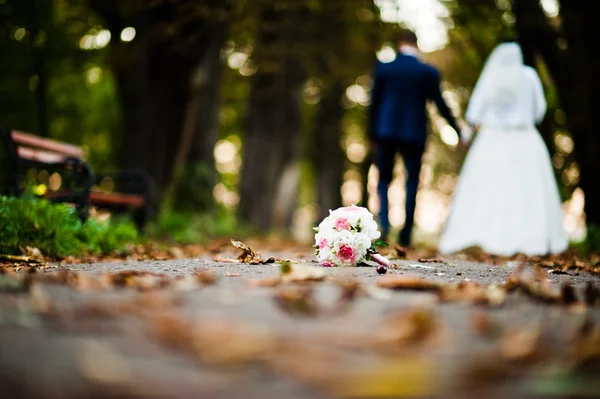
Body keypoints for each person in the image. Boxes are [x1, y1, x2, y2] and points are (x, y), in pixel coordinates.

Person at [438, 41, 568, 256]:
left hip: (492, 140)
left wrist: (466, 137)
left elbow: (474, 113)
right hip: (525, 139)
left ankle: (487, 234)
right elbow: (540, 111)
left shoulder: (492, 78)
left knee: (490, 188)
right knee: (527, 190)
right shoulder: (528, 76)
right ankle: (527, 237)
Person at [369, 30, 461, 247]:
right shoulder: (427, 71)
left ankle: (385, 227)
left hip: (386, 132)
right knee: (412, 182)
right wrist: (456, 128)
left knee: (383, 180)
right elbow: (440, 103)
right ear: (416, 44)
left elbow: (374, 103)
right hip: (414, 132)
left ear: (399, 44)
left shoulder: (385, 68)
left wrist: (372, 134)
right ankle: (406, 235)